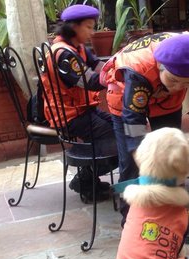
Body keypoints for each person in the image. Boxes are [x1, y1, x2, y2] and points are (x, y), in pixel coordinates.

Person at [101, 32, 189, 244]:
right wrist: (142, 156)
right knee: (131, 164)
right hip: (126, 101)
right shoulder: (138, 71)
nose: (179, 87)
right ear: (160, 66)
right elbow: (133, 121)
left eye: (186, 83)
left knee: (170, 158)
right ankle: (130, 219)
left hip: (165, 102)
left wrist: (172, 84)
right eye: (174, 80)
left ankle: (176, 219)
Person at [41, 4, 116, 202]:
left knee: (119, 124)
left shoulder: (78, 47)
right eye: (89, 27)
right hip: (68, 116)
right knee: (113, 137)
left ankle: (89, 177)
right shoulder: (63, 54)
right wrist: (114, 76)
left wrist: (116, 66)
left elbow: (97, 64)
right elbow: (90, 81)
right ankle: (85, 179)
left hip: (82, 110)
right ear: (74, 27)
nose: (92, 32)